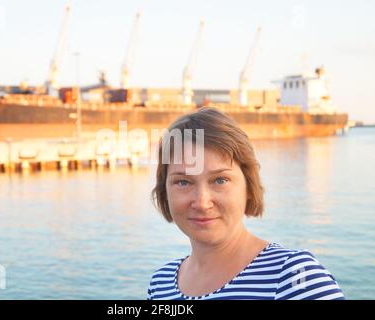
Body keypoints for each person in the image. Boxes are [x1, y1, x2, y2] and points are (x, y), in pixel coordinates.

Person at [147, 107, 345, 300]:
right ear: (165, 191)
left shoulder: (294, 277)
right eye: (183, 182)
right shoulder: (160, 283)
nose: (202, 202)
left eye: (220, 180)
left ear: (249, 186)